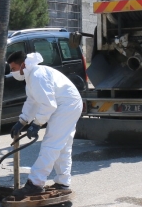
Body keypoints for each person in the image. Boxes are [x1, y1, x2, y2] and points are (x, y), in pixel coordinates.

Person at [7, 51, 84, 198]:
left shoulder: (37, 75)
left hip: (67, 106)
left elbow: (48, 105)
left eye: (13, 68)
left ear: (23, 64)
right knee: (62, 146)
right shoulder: (32, 76)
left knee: (51, 144)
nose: (13, 72)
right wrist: (22, 121)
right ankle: (63, 182)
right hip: (69, 104)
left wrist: (36, 124)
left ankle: (35, 183)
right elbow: (32, 101)